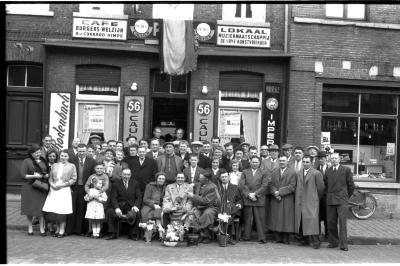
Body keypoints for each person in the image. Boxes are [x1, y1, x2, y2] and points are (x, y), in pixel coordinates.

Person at [42, 150, 77, 238]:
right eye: (62, 155)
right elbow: (50, 178)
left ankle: (62, 230)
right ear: (59, 156)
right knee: (55, 211)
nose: (63, 157)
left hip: (64, 190)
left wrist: (63, 185)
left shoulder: (72, 166)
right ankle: (57, 229)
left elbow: (74, 179)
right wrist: (52, 184)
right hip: (54, 190)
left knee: (62, 211)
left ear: (68, 157)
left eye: (65, 156)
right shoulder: (55, 165)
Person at [324, 153, 355, 251]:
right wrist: (328, 195)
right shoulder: (328, 171)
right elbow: (325, 185)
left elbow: (351, 186)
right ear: (330, 160)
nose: (334, 160)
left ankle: (343, 244)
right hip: (331, 199)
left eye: (335, 158)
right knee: (331, 222)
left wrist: (346, 196)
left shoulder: (346, 170)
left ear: (339, 159)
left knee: (342, 222)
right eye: (332, 158)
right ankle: (333, 242)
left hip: (342, 200)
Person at [294, 155, 325, 249]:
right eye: (303, 161)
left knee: (313, 221)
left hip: (311, 200)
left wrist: (315, 198)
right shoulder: (299, 172)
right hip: (301, 200)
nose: (305, 163)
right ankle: (304, 240)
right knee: (302, 220)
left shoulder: (316, 173)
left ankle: (316, 241)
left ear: (311, 163)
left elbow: (321, 188)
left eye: (307, 162)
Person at [66, 144, 96, 236]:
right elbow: (67, 174)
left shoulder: (91, 161)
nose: (81, 153)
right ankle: (70, 229)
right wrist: (69, 187)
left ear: (86, 151)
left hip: (85, 188)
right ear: (77, 151)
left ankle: (81, 230)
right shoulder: (71, 160)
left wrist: (91, 189)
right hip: (74, 187)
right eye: (80, 151)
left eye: (83, 151)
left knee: (83, 208)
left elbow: (93, 175)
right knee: (72, 208)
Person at [105, 168, 142, 240]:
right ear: (121, 175)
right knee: (110, 211)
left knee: (138, 213)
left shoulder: (135, 183)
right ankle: (112, 233)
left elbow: (139, 197)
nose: (126, 176)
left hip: (131, 206)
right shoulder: (116, 184)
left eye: (128, 174)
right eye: (124, 174)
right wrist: (116, 208)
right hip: (120, 206)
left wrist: (136, 206)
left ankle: (132, 234)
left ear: (130, 175)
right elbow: (113, 198)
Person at [20, 144, 49, 236]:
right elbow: (23, 175)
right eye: (36, 153)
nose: (38, 154)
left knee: (40, 209)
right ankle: (30, 228)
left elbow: (47, 171)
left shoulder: (44, 160)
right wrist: (34, 176)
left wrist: (46, 175)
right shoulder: (26, 161)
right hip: (29, 187)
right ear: (31, 153)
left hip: (40, 187)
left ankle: (42, 228)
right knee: (30, 209)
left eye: (39, 152)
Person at [239, 156, 269, 243]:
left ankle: (262, 237)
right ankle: (246, 236)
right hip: (248, 197)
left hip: (258, 198)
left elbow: (264, 185)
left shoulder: (264, 172)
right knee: (247, 218)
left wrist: (255, 194)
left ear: (259, 163)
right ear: (250, 162)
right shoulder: (245, 172)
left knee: (260, 219)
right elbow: (242, 184)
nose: (254, 164)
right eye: (253, 162)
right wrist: (248, 194)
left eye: (256, 162)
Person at [186, 172, 221, 244]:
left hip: (211, 207)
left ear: (206, 179)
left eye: (200, 178)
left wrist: (193, 196)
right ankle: (200, 234)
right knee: (194, 213)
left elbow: (206, 201)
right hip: (201, 206)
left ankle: (206, 235)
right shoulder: (200, 183)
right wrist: (192, 184)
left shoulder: (213, 187)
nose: (198, 179)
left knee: (207, 214)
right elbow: (196, 184)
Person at [269, 155, 296, 244]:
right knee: (276, 218)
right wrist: (275, 192)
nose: (281, 162)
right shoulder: (274, 171)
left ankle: (286, 238)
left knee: (286, 218)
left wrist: (279, 192)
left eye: (283, 160)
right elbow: (270, 184)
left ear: (287, 162)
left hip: (287, 198)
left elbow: (292, 186)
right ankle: (277, 238)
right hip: (276, 198)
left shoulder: (292, 172)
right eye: (280, 160)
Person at [216, 170, 243, 244]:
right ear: (220, 178)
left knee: (230, 213)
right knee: (224, 215)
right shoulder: (217, 188)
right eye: (222, 177)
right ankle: (227, 236)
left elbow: (240, 199)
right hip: (220, 209)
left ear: (228, 177)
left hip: (233, 210)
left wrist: (239, 204)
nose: (224, 178)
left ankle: (224, 235)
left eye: (225, 176)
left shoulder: (235, 187)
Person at [83, 163, 110, 237]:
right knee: (92, 216)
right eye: (97, 168)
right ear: (95, 169)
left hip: (100, 196)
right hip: (92, 197)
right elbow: (87, 185)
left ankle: (99, 231)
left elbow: (106, 186)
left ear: (103, 169)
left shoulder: (105, 176)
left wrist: (99, 192)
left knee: (99, 216)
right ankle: (91, 231)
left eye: (101, 168)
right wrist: (89, 192)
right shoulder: (92, 176)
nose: (99, 170)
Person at [140, 172, 167, 239]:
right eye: (159, 178)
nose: (161, 180)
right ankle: (148, 233)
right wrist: (154, 205)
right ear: (156, 179)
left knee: (159, 212)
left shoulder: (166, 187)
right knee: (146, 214)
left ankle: (158, 232)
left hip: (161, 206)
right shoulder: (150, 186)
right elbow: (145, 199)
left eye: (163, 179)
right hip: (149, 205)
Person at [317, 150, 329, 239]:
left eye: (322, 158)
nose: (320, 160)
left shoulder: (330, 169)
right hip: (317, 197)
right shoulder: (315, 169)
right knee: (317, 216)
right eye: (319, 158)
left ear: (326, 159)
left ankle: (327, 234)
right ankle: (317, 233)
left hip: (327, 197)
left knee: (327, 216)